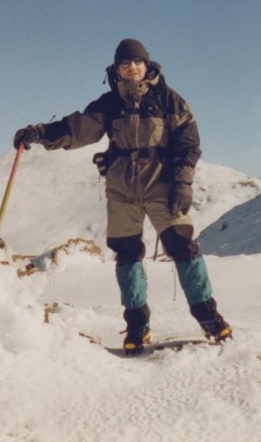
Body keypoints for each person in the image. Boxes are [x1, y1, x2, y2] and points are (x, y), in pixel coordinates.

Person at [13, 38, 232, 354]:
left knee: (184, 249)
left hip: (163, 187)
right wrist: (38, 133)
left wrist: (183, 184)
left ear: (147, 65)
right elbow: (77, 130)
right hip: (122, 191)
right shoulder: (109, 103)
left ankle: (209, 318)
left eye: (137, 62)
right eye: (125, 63)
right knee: (128, 256)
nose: (132, 68)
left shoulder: (170, 101)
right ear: (116, 69)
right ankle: (137, 327)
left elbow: (188, 145)